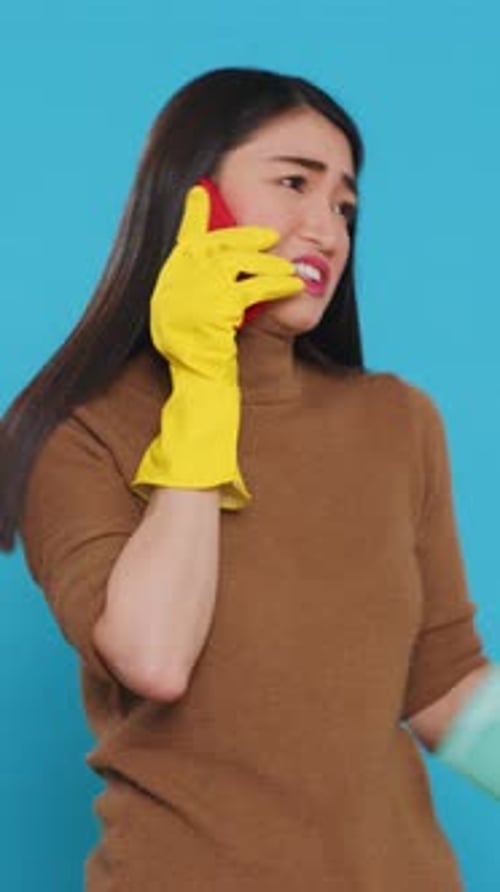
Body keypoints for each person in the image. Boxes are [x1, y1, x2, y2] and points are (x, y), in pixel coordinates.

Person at [1, 67, 499, 891]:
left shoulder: (398, 421)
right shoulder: (76, 430)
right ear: (190, 200)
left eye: (345, 206)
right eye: (294, 183)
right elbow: (155, 657)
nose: (326, 230)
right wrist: (203, 382)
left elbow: (442, 687)